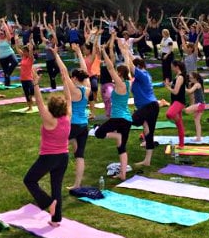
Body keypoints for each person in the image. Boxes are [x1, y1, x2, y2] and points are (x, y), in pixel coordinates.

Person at [23, 50, 72, 226]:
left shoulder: (49, 120)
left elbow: (39, 102)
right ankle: (56, 219)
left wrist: (36, 84)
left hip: (49, 157)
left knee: (29, 180)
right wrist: (65, 79)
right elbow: (67, 94)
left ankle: (47, 203)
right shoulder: (68, 116)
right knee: (56, 187)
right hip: (63, 157)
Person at [94, 46, 133, 180]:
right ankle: (122, 174)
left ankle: (117, 136)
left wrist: (104, 51)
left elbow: (110, 68)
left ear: (120, 74)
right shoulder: (129, 84)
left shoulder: (121, 84)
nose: (115, 73)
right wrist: (126, 54)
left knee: (99, 133)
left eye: (118, 72)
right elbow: (127, 65)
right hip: (127, 119)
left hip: (118, 118)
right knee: (122, 148)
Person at [127, 42, 160, 167]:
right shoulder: (143, 75)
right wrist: (127, 52)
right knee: (148, 132)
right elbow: (132, 65)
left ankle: (114, 132)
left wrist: (125, 52)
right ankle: (147, 160)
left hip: (149, 106)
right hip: (149, 106)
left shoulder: (143, 74)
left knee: (131, 120)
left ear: (139, 66)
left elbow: (131, 66)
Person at [66, 45, 92, 188]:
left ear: (75, 78)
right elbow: (85, 71)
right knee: (79, 155)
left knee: (61, 144)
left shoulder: (75, 90)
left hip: (74, 125)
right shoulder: (86, 89)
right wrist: (79, 53)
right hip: (84, 126)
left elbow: (64, 74)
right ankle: (77, 184)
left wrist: (57, 56)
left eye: (72, 77)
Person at [164, 60, 187, 148]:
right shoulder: (177, 76)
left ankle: (179, 121)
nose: (171, 68)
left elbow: (175, 91)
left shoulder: (180, 77)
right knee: (179, 125)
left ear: (177, 66)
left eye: (172, 66)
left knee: (169, 114)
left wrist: (167, 87)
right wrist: (168, 84)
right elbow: (174, 86)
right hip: (175, 102)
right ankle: (181, 145)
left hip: (179, 102)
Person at [185, 71, 206, 142]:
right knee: (197, 121)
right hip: (201, 105)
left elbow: (189, 91)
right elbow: (192, 95)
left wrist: (182, 87)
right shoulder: (196, 84)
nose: (189, 79)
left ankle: (198, 138)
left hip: (200, 105)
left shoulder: (197, 84)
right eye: (189, 78)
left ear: (195, 78)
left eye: (191, 78)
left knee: (186, 110)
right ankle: (198, 138)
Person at [0, 19, 19, 87]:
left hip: (10, 54)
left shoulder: (8, 39)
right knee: (5, 70)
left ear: (5, 34)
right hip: (2, 57)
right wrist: (0, 24)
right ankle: (7, 85)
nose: (1, 35)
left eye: (2, 34)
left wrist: (4, 23)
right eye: (0, 34)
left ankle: (8, 73)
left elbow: (7, 31)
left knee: (15, 62)